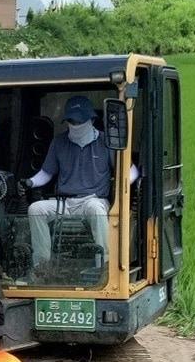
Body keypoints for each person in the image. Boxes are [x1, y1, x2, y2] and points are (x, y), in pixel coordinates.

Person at [24, 94, 131, 272]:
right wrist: (30, 182)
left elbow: (128, 171)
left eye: (79, 121)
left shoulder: (106, 142)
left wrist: (135, 180)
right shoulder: (59, 142)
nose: (75, 125)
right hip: (64, 202)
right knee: (35, 209)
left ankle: (104, 265)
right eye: (71, 121)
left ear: (91, 120)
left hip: (93, 199)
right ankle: (42, 265)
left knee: (96, 211)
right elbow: (46, 173)